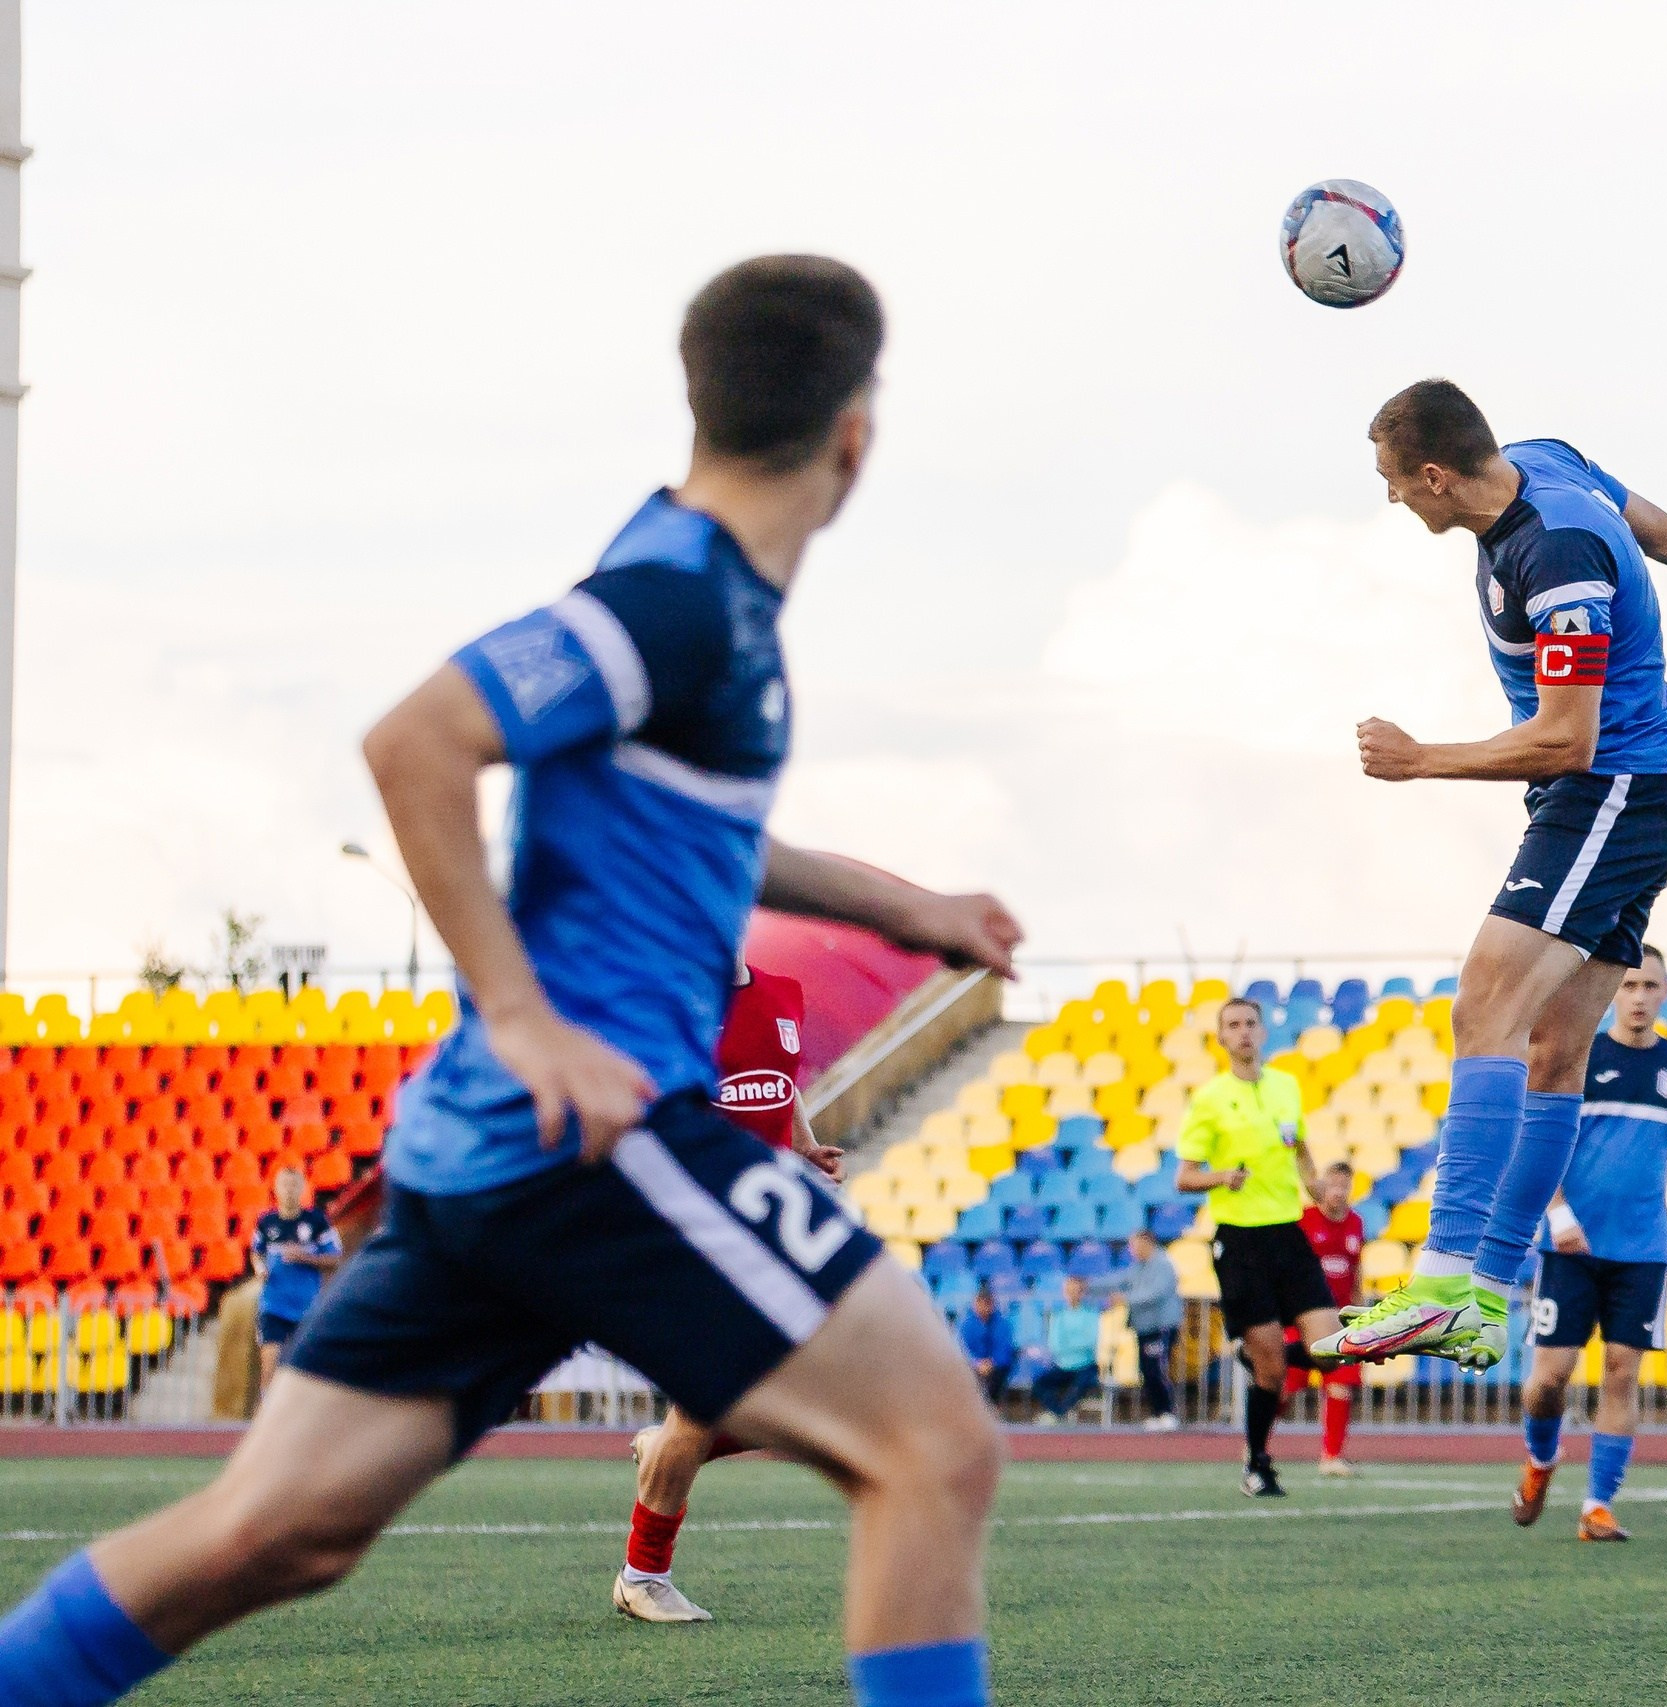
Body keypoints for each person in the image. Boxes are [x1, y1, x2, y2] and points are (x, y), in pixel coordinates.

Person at [0, 256, 1027, 1707]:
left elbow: (709, 831)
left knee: (272, 1529)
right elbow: (416, 738)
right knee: (936, 1441)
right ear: (856, 433)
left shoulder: (693, 585)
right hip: (590, 1137)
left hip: (487, 1154)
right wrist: (531, 1018)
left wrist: (902, 902)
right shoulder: (674, 601)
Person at [1321, 379, 1667, 1372]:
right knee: (1550, 1052)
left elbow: (1566, 737)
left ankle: (1440, 1279)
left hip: (1611, 792)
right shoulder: (1545, 458)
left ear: (1432, 474)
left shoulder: (1555, 558)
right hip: (1642, 793)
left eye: (1391, 482)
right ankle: (1487, 1299)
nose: (1390, 501)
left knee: (1483, 1008)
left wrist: (1421, 760)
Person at [615, 957, 847, 1623]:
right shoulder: (670, 994)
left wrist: (801, 1145)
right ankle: (643, 1574)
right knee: (702, 1404)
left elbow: (779, 1081)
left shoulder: (785, 991)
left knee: (821, 1403)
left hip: (767, 1233)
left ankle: (663, 1451)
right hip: (692, 1237)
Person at [1513, 946, 1667, 1543]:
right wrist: (1558, 1214)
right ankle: (1542, 1459)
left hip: (1643, 1248)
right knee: (1549, 1379)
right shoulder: (1579, 1054)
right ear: (1612, 993)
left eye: (1650, 985)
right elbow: (1537, 1138)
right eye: (1629, 985)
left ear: (1666, 991)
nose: (1639, 997)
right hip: (1570, 1247)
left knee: (1621, 1373)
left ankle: (1598, 1505)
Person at [1175, 997, 1340, 1498]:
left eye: (1251, 1023)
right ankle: (1258, 1465)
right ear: (1221, 1038)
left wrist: (1314, 1186)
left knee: (1329, 1351)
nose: (1243, 1032)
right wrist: (1222, 1176)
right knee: (1272, 1370)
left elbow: (1302, 1149)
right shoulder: (1209, 1099)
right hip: (1239, 1240)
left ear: (1263, 1032)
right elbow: (1184, 1177)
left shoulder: (1286, 1087)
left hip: (1287, 1233)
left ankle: (1257, 1355)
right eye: (1233, 1026)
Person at [1284, 1161, 1365, 1477]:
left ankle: (1331, 1456)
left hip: (1340, 1321)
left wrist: (1359, 1313)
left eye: (1344, 1186)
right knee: (1283, 1387)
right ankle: (1257, 1443)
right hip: (1302, 1319)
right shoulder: (1305, 1221)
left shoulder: (1356, 1223)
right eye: (1332, 1185)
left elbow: (1356, 1271)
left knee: (1341, 1386)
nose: (1338, 1192)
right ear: (1322, 1186)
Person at [247, 1168, 342, 1398]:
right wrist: (259, 1268)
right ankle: (268, 1419)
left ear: (301, 1189)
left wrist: (304, 1257)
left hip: (307, 1307)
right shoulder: (266, 1222)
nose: (289, 1191)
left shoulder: (316, 1222)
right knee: (270, 1363)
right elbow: (256, 1253)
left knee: (308, 1368)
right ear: (276, 1189)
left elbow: (336, 1258)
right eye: (284, 1186)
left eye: (293, 1186)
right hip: (274, 1306)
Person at [1117, 1227, 1183, 1432]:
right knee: (1146, 1370)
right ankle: (1157, 1412)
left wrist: (1125, 1299)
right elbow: (1120, 1281)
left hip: (1160, 1326)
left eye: (1134, 1245)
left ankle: (1168, 1412)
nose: (1132, 1249)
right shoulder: (1139, 1267)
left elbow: (1156, 1292)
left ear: (1147, 1243)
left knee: (1157, 1369)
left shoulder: (1162, 1265)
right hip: (1144, 1327)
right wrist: (1088, 1287)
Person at [1028, 1275, 1102, 1424]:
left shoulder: (1092, 1315)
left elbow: (1091, 1342)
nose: (1072, 1294)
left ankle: (1058, 1415)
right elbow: (1054, 1344)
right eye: (1069, 1290)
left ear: (1082, 1293)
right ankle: (1060, 1413)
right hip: (1063, 1365)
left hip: (1085, 1365)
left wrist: (1069, 1345)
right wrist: (1072, 1346)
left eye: (1076, 1290)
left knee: (1080, 1385)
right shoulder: (1059, 1316)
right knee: (1039, 1384)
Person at [956, 1288, 1016, 1409]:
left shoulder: (1003, 1324)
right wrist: (976, 1363)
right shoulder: (966, 1325)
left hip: (996, 1367)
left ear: (992, 1305)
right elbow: (962, 1350)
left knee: (998, 1374)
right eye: (979, 1303)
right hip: (972, 1366)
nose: (983, 1307)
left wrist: (991, 1363)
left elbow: (1004, 1349)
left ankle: (989, 1409)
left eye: (986, 1304)